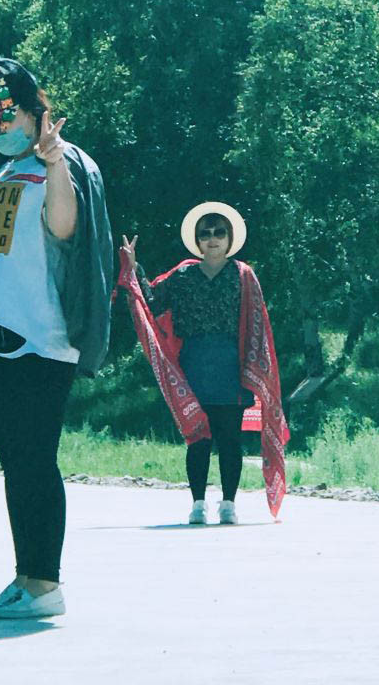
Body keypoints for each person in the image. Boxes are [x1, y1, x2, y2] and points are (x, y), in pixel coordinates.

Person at [0, 58, 113, 619]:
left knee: (35, 458)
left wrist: (53, 159)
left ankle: (46, 585)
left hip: (39, 337)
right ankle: (26, 576)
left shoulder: (62, 162)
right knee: (15, 462)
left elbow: (65, 229)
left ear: (31, 108)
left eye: (5, 119)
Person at [118, 202, 289, 525]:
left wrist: (256, 370)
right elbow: (151, 303)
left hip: (231, 366)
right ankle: (198, 504)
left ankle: (228, 504)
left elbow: (257, 325)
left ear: (229, 238)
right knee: (198, 438)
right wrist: (133, 265)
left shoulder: (243, 275)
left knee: (230, 438)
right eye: (205, 233)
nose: (212, 239)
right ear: (197, 241)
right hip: (193, 365)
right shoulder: (182, 275)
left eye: (219, 232)